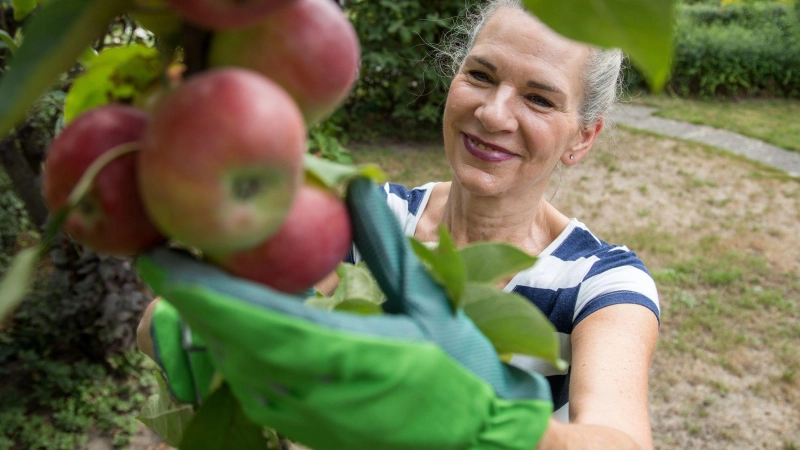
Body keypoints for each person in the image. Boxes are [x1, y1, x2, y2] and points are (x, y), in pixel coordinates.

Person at [137, 1, 660, 449]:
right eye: (480, 75)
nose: (494, 114)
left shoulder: (600, 282)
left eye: (539, 99)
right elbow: (172, 320)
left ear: (582, 139)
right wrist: (200, 327)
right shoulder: (373, 220)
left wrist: (492, 427)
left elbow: (617, 439)